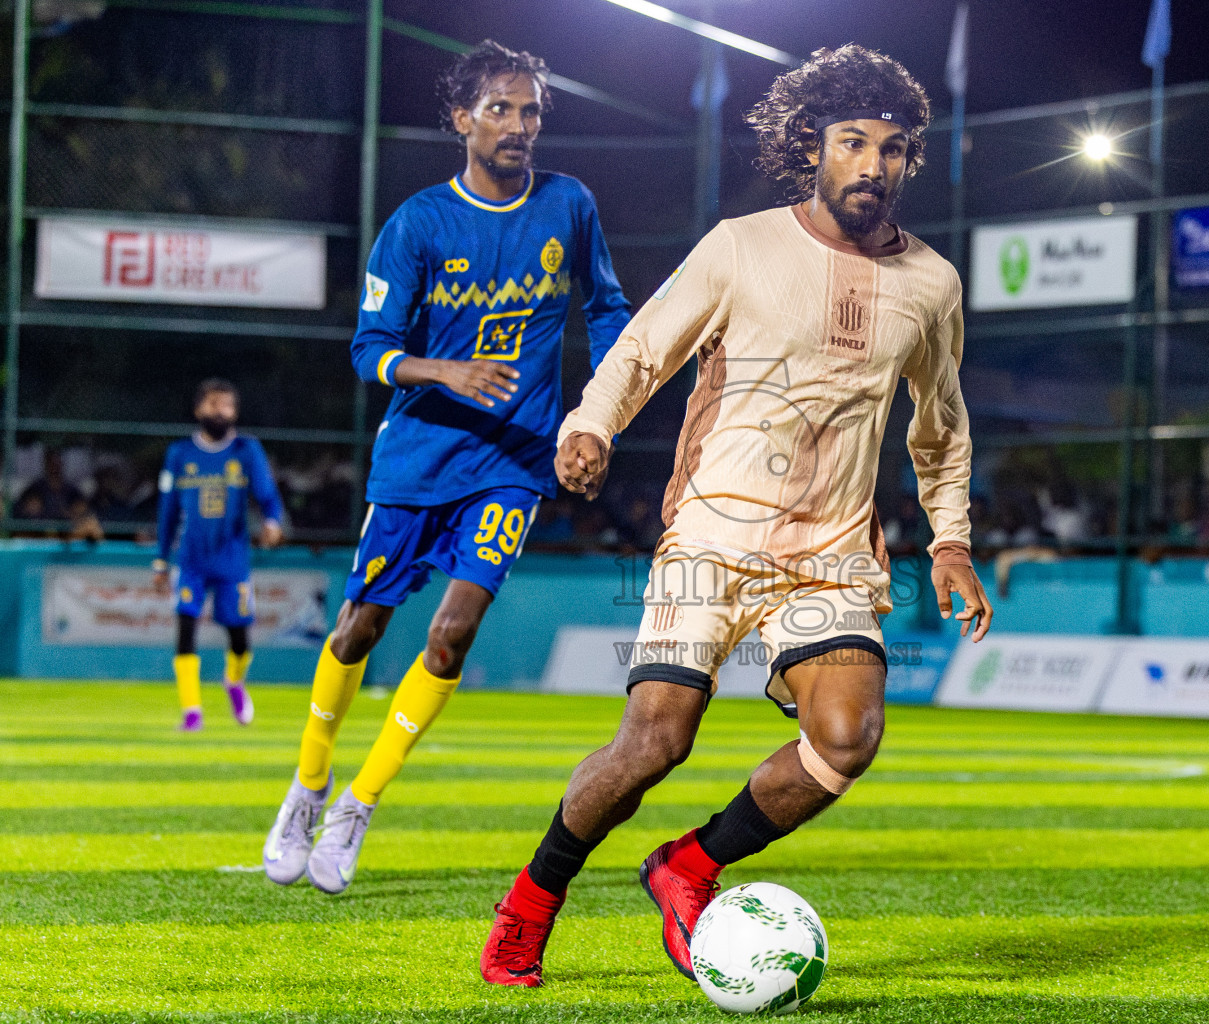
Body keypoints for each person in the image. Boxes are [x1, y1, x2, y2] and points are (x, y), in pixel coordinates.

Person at [479, 44, 993, 988]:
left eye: (893, 148)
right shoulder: (740, 245)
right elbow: (643, 349)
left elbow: (942, 425)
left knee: (847, 739)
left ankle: (689, 866)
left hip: (830, 553)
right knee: (654, 743)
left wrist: (951, 540)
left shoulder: (932, 284)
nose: (873, 165)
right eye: (853, 142)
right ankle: (531, 902)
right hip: (713, 535)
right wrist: (590, 423)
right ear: (812, 145)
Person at [261, 40, 629, 894]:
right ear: (461, 120)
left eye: (532, 110)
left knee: (453, 632)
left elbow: (607, 307)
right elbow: (369, 351)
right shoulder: (419, 223)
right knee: (359, 628)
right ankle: (307, 788)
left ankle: (359, 803)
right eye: (500, 109)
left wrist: (597, 415)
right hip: (419, 457)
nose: (519, 126)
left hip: (513, 462)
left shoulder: (569, 205)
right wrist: (443, 370)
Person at [153, 379, 284, 731]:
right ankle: (192, 711)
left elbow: (267, 494)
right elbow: (166, 512)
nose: (219, 411)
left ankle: (234, 682)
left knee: (239, 638)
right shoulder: (180, 454)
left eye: (226, 405)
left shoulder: (246, 450)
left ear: (235, 412)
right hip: (191, 560)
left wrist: (272, 521)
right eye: (212, 404)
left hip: (232, 560)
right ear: (198, 410)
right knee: (185, 629)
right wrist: (161, 560)